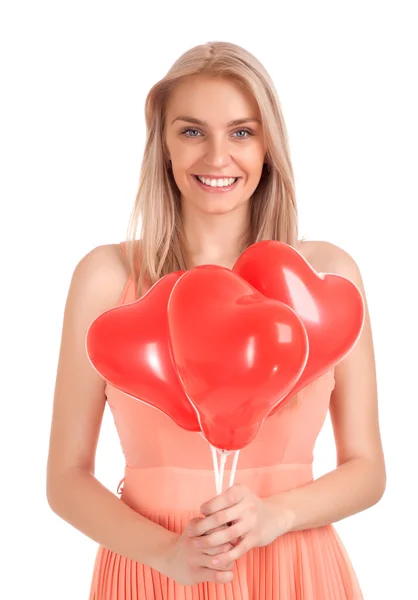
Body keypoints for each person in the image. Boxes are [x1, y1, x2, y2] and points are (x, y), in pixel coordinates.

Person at [46, 41, 386, 599]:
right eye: (192, 131)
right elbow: (65, 479)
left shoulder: (323, 276)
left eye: (242, 132)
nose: (217, 157)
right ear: (165, 146)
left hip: (294, 569)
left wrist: (278, 514)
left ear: (268, 145)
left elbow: (367, 468)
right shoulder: (106, 279)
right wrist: (167, 553)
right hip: (153, 572)